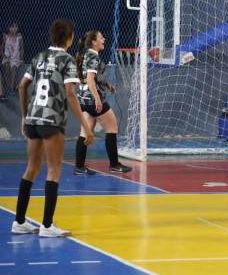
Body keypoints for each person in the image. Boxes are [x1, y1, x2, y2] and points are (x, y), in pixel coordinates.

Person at [11, 19, 95, 237]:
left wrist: (24, 116)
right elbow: (69, 93)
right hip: (52, 120)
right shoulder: (66, 60)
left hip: (33, 119)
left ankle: (19, 222)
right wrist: (85, 125)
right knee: (54, 171)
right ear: (69, 38)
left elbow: (22, 86)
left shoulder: (38, 57)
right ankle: (47, 226)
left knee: (31, 169)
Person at [73, 30, 132, 174]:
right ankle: (114, 164)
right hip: (93, 100)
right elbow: (90, 79)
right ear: (94, 42)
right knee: (112, 128)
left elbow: (92, 76)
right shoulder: (93, 57)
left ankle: (79, 167)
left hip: (84, 99)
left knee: (85, 133)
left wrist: (106, 84)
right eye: (101, 37)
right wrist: (98, 99)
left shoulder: (87, 55)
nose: (104, 39)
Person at [1, 21, 24, 103]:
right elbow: (2, 47)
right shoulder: (5, 37)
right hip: (7, 57)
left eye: (15, 27)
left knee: (13, 68)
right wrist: (3, 55)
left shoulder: (19, 37)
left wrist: (21, 59)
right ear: (8, 28)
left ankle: (11, 87)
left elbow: (21, 49)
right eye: (12, 27)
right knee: (8, 68)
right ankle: (13, 85)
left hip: (15, 58)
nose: (14, 29)